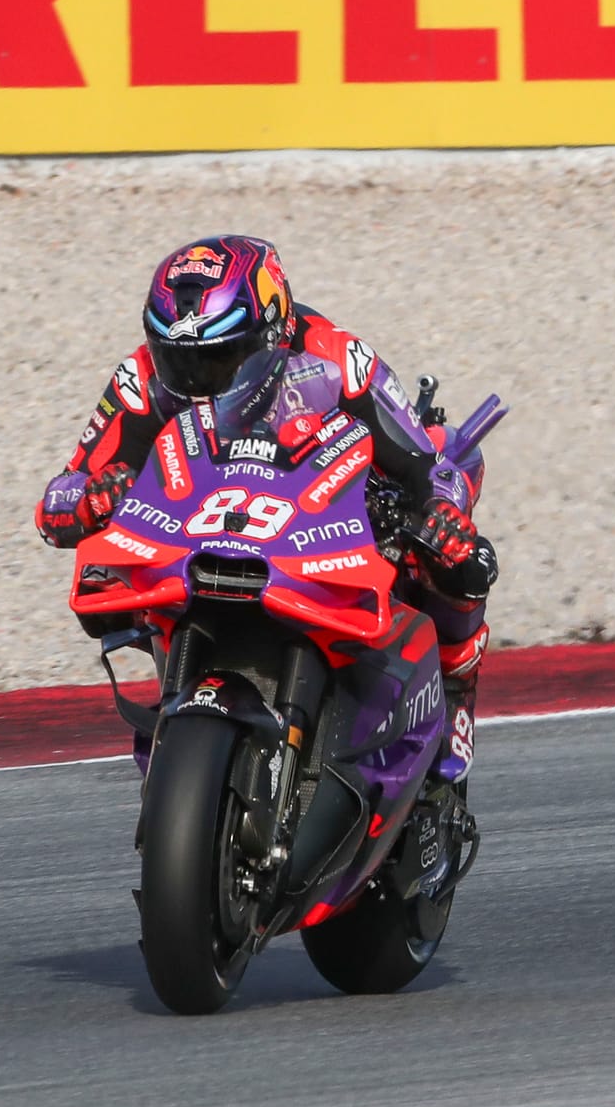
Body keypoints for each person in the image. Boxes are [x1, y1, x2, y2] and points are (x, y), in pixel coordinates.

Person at [35, 235, 496, 777]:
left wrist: (442, 514)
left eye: (220, 360)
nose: (195, 383)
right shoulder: (143, 377)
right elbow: (62, 494)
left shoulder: (338, 357)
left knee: (449, 557)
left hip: (326, 525)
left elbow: (428, 461)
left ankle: (456, 681)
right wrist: (86, 501)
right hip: (200, 539)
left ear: (271, 332)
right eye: (178, 362)